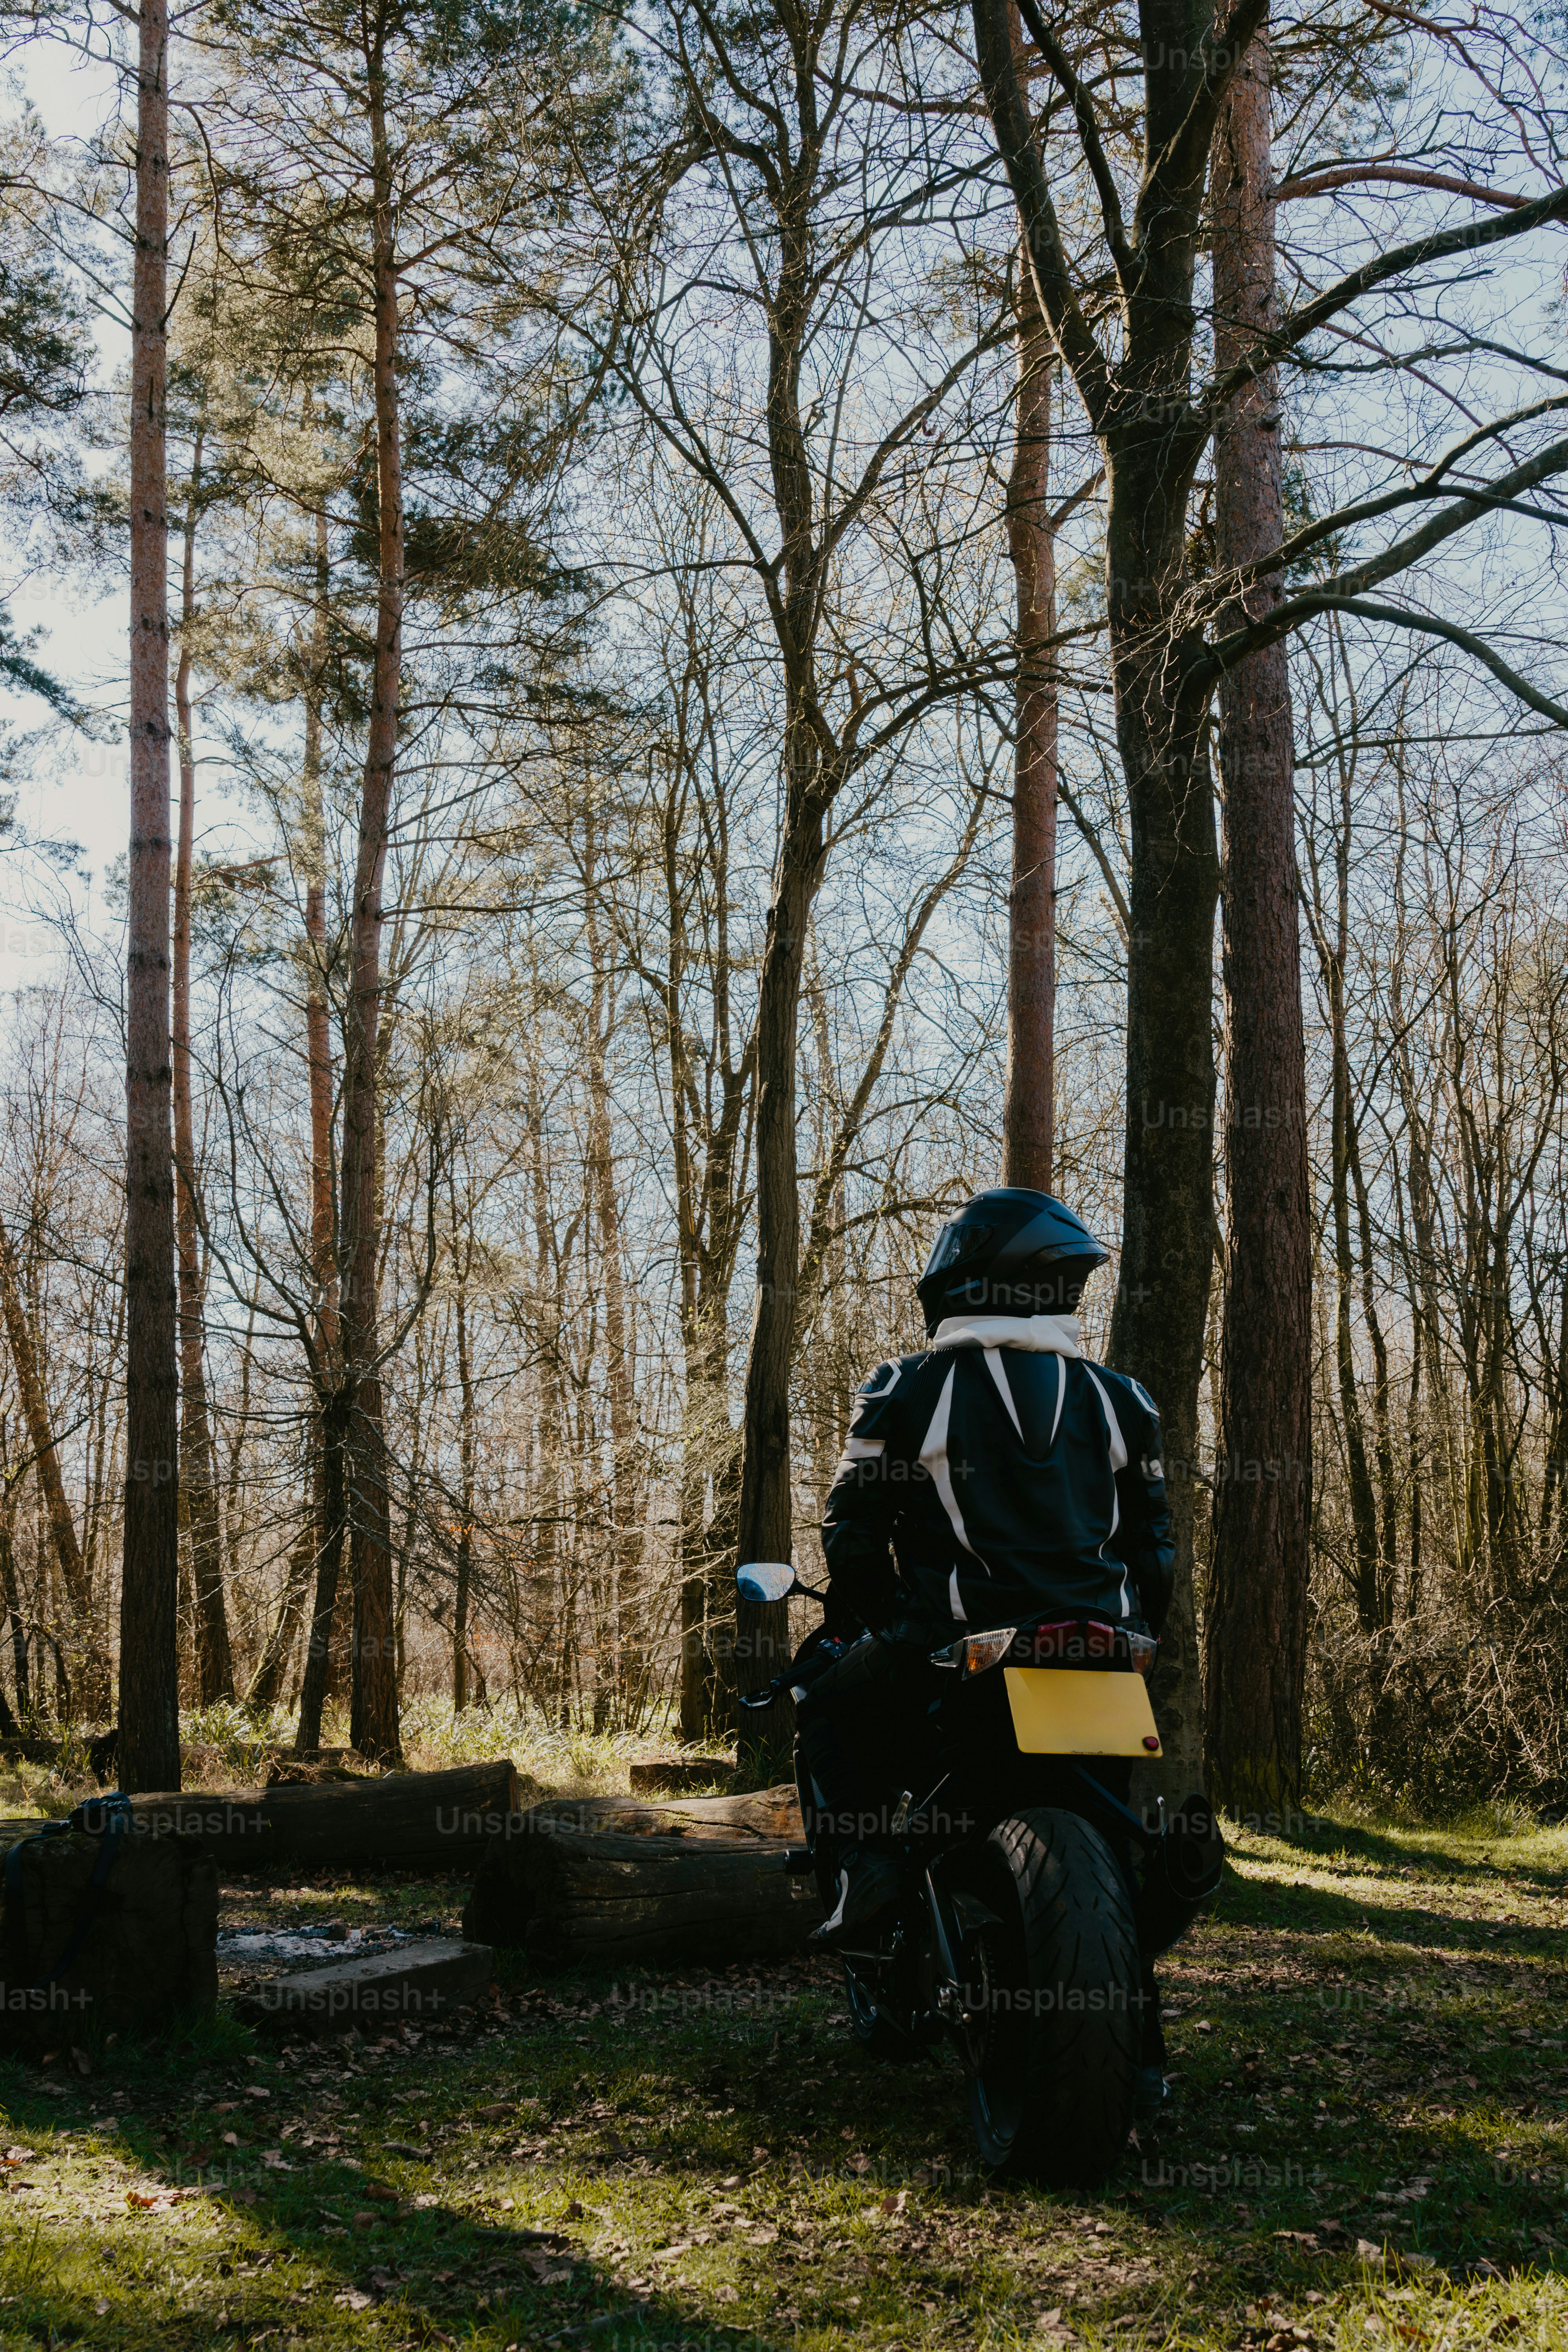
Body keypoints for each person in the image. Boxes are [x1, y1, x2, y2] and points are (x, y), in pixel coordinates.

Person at [795, 1187, 1175, 2102]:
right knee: (1109, 1851)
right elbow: (1151, 1548)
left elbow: (850, 1531)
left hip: (955, 1647)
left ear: (961, 1280)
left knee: (825, 1707)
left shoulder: (908, 1386)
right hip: (1103, 1652)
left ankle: (870, 1874)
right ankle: (1143, 2059)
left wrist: (880, 1618)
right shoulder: (1123, 1400)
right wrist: (1135, 1636)